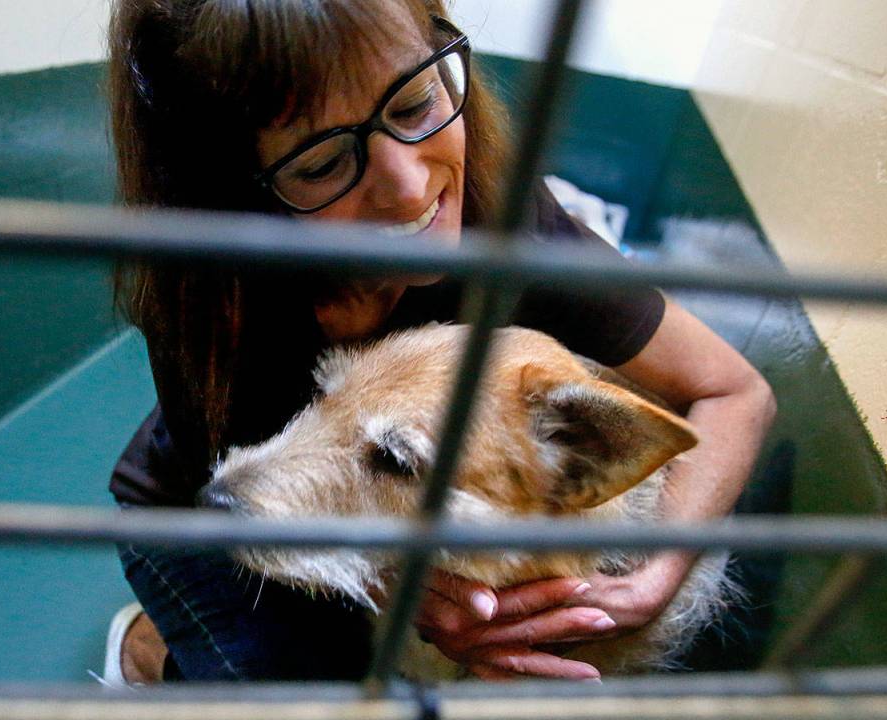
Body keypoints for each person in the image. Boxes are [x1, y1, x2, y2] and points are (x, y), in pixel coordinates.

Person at [106, 0, 776, 683]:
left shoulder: (514, 226)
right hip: (194, 510)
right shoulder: (214, 292)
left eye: (413, 103)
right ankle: (147, 648)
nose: (409, 188)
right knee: (301, 687)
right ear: (246, 190)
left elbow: (736, 391)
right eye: (323, 162)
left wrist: (649, 585)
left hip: (338, 507)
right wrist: (419, 604)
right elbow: (240, 502)